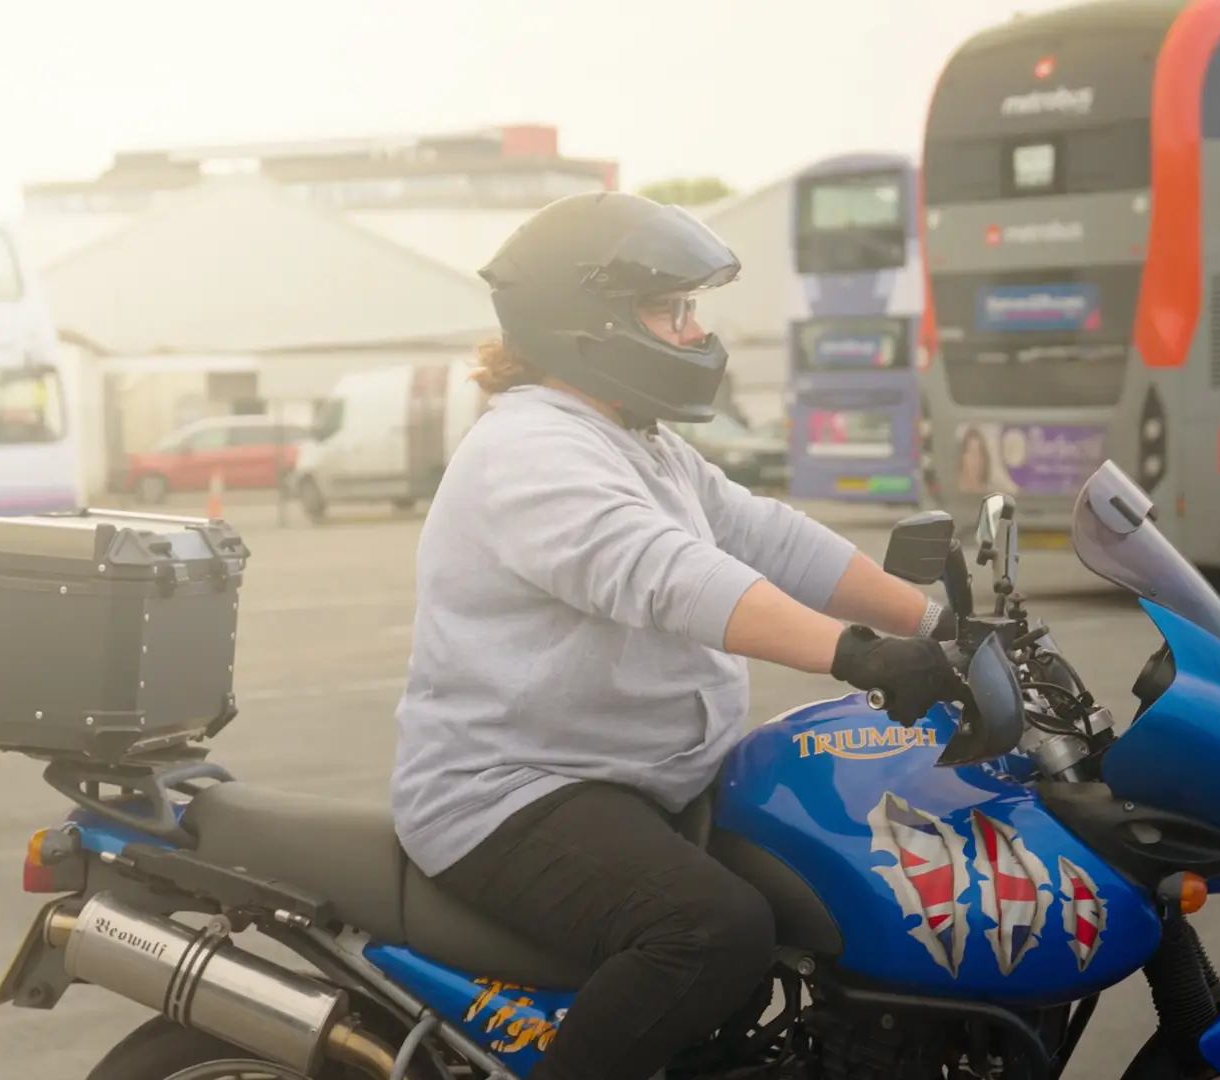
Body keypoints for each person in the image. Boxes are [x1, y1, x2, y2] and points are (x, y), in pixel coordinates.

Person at [390, 192, 967, 1080]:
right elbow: (666, 573)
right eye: (673, 311)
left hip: (626, 779)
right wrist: (858, 657)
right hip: (510, 794)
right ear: (592, 324)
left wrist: (935, 622)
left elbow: (766, 536)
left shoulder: (633, 437)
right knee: (712, 934)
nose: (696, 333)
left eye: (694, 309)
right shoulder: (531, 452)